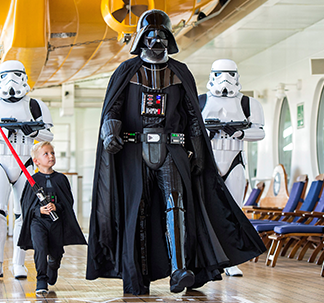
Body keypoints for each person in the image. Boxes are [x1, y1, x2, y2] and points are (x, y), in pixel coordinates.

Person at [86, 9, 266, 295]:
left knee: (177, 205)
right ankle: (136, 276)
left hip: (173, 148)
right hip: (134, 151)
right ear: (141, 39)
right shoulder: (126, 71)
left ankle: (179, 269)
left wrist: (200, 152)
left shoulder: (180, 72)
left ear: (169, 38)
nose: (156, 40)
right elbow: (113, 109)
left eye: (161, 35)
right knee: (139, 211)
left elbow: (192, 115)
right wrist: (110, 132)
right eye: (151, 35)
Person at [0, 60, 54, 279]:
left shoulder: (35, 106)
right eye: (6, 75)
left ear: (24, 77)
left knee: (23, 214)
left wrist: (32, 133)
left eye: (16, 74)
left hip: (25, 163)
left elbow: (48, 135)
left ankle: (19, 263)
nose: (11, 80)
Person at [199, 59, 266, 277]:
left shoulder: (248, 103)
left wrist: (238, 133)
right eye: (219, 74)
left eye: (229, 74)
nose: (224, 79)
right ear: (212, 75)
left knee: (234, 211)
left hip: (235, 159)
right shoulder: (201, 101)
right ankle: (209, 257)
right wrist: (207, 132)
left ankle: (231, 260)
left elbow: (260, 132)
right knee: (208, 211)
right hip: (208, 161)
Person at [17, 141, 86, 296]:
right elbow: (26, 205)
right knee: (40, 249)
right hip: (38, 222)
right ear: (36, 161)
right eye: (46, 154)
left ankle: (53, 265)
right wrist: (39, 210)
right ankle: (41, 279)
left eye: (52, 153)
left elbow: (68, 202)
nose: (51, 156)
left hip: (56, 223)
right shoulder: (32, 180)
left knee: (56, 251)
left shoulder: (61, 179)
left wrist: (57, 207)